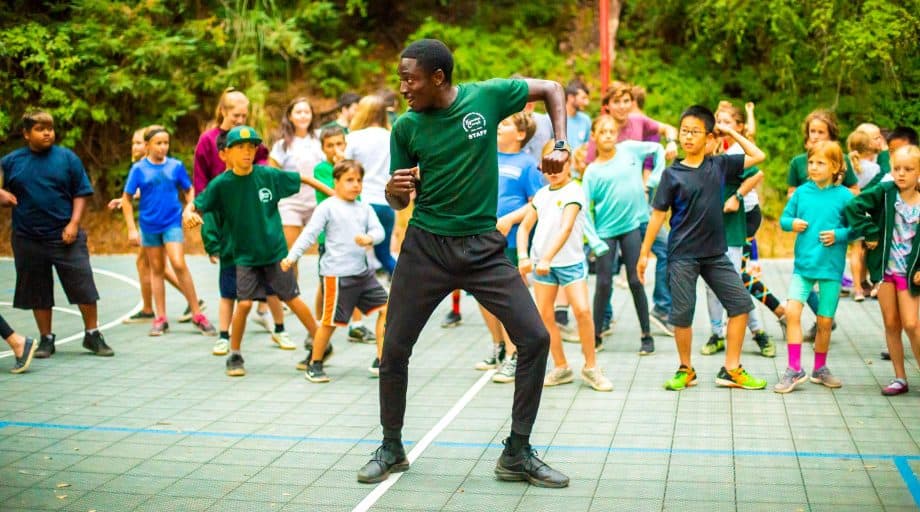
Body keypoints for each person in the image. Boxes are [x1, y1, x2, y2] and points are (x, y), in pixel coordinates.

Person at [356, 39, 569, 488]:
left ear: (438, 77)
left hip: (483, 248)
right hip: (426, 248)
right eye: (400, 78)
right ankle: (391, 447)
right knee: (394, 349)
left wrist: (561, 143)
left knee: (534, 339)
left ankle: (517, 452)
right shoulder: (407, 127)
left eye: (410, 78)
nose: (403, 87)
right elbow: (397, 201)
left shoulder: (485, 98)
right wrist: (396, 189)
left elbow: (552, 88)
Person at [637, 105, 766, 391]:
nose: (688, 137)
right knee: (682, 315)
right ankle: (686, 369)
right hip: (682, 255)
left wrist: (731, 130)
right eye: (685, 131)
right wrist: (645, 252)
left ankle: (732, 369)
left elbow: (758, 156)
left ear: (709, 137)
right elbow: (658, 215)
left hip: (715, 254)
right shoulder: (672, 175)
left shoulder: (718, 165)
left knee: (740, 305)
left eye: (696, 132)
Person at [184, 125, 320, 377]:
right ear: (226, 153)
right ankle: (234, 354)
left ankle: (321, 342)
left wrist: (337, 197)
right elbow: (197, 204)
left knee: (291, 297)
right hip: (243, 256)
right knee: (244, 303)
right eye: (241, 147)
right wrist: (187, 213)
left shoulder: (267, 175)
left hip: (274, 252)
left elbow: (305, 179)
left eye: (251, 147)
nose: (247, 152)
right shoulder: (221, 184)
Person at [1, 110, 113, 358]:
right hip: (27, 236)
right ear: (26, 133)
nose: (47, 133)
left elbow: (81, 193)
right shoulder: (11, 162)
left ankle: (92, 334)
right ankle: (46, 339)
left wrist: (73, 223)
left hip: (64, 235)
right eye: (40, 129)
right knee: (37, 289)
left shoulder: (67, 158)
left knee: (82, 283)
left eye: (50, 128)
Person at [517, 141, 612, 392]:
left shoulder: (574, 191)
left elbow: (566, 227)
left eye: (559, 164)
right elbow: (525, 227)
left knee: (582, 311)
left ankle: (591, 366)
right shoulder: (541, 195)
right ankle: (561, 366)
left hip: (569, 264)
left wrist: (548, 257)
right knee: (545, 315)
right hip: (542, 266)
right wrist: (523, 257)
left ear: (569, 164)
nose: (554, 170)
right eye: (549, 165)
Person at [282, 160, 387, 381]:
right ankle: (315, 363)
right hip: (337, 276)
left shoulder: (364, 208)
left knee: (387, 310)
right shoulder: (327, 207)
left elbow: (379, 231)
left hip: (363, 274)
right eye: (349, 180)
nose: (355, 185)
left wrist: (370, 237)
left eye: (359, 180)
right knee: (330, 322)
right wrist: (291, 257)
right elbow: (309, 234)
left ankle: (382, 359)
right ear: (336, 182)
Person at [193, 87, 285, 335]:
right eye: (236, 115)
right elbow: (200, 182)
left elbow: (262, 160)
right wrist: (201, 214)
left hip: (249, 207)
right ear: (222, 111)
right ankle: (228, 328)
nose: (241, 120)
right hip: (222, 211)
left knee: (262, 262)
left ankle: (267, 314)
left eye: (244, 115)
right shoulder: (208, 140)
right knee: (231, 268)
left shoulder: (248, 137)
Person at [120, 125, 215, 336]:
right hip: (149, 225)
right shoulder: (138, 169)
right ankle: (160, 318)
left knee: (179, 263)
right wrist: (131, 229)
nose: (163, 147)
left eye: (166, 143)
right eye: (158, 143)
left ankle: (197, 314)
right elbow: (127, 199)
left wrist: (191, 209)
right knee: (157, 269)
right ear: (147, 146)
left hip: (172, 223)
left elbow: (189, 190)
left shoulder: (175, 166)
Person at [774, 140, 853, 393]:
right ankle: (794, 369)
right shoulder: (801, 192)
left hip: (831, 268)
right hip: (803, 267)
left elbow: (857, 228)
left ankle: (820, 368)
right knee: (793, 313)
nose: (814, 167)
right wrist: (792, 223)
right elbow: (784, 219)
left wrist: (839, 235)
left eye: (820, 163)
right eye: (811, 162)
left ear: (836, 166)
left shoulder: (844, 196)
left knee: (824, 322)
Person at [582, 114, 664, 356]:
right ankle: (595, 334)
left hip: (631, 227)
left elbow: (658, 149)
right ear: (594, 136)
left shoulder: (629, 150)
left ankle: (646, 335)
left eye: (611, 131)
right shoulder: (592, 172)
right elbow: (584, 209)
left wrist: (656, 177)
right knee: (604, 283)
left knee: (635, 280)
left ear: (616, 134)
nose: (608, 135)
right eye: (602, 131)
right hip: (605, 232)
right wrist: (594, 241)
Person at [701, 102, 775, 358]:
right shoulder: (700, 158)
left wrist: (737, 197)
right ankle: (716, 333)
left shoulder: (730, 157)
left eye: (725, 124)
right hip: (707, 233)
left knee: (734, 282)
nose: (719, 128)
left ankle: (758, 332)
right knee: (711, 286)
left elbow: (757, 171)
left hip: (732, 229)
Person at [845, 145, 920, 395]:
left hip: (911, 273)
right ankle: (900, 378)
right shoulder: (885, 192)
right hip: (887, 271)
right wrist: (871, 231)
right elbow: (853, 207)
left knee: (911, 324)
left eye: (908, 170)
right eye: (897, 168)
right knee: (891, 323)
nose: (901, 174)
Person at [481, 111, 544, 383]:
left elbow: (538, 202)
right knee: (482, 297)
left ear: (520, 134)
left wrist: (509, 219)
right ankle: (497, 347)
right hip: (480, 237)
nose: (498, 126)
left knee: (506, 299)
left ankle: (513, 353)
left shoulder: (527, 164)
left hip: (509, 240)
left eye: (504, 123)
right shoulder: (485, 157)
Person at [786, 109, 855, 340]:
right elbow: (790, 203)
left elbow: (856, 207)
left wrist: (840, 232)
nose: (815, 135)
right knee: (794, 307)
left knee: (825, 317)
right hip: (806, 253)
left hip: (831, 260)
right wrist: (794, 217)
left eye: (820, 132)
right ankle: (794, 366)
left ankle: (821, 350)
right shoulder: (798, 163)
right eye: (812, 131)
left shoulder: (843, 186)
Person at [346, 95, 398, 278]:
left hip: (361, 202)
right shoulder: (392, 137)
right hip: (386, 202)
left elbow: (346, 168)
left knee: (355, 254)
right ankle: (408, 280)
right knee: (384, 254)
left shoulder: (353, 138)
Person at [846, 128, 881, 301]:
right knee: (867, 249)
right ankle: (871, 283)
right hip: (867, 212)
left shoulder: (847, 165)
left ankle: (858, 288)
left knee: (855, 250)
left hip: (850, 211)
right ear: (868, 147)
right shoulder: (875, 168)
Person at [565, 80, 592, 150]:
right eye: (583, 98)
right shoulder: (552, 119)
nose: (587, 103)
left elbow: (588, 147)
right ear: (571, 97)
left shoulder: (586, 120)